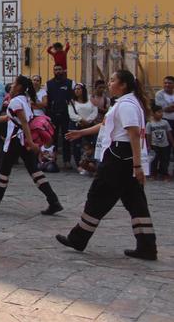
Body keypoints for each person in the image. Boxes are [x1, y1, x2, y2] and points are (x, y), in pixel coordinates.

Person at [57, 70, 157, 260]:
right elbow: (105, 124)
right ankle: (147, 246)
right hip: (124, 157)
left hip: (119, 157)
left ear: (124, 84)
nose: (109, 84)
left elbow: (134, 134)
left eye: (113, 81)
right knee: (136, 202)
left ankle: (78, 238)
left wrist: (137, 166)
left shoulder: (127, 105)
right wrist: (81, 133)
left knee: (98, 195)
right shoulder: (124, 103)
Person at [0, 75, 63, 215]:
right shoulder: (25, 100)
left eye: (14, 83)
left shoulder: (16, 101)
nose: (11, 86)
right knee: (34, 171)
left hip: (17, 140)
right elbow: (9, 117)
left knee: (5, 170)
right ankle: (53, 201)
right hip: (22, 140)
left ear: (20, 87)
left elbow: (23, 122)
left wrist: (31, 142)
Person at [47, 64, 75, 169]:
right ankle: (52, 159)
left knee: (66, 137)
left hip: (66, 114)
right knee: (52, 137)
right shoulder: (49, 84)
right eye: (55, 70)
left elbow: (73, 98)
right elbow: (47, 100)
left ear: (63, 70)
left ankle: (67, 160)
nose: (57, 71)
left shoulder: (70, 83)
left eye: (59, 69)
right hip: (53, 114)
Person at [68, 83, 97, 167]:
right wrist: (81, 119)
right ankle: (78, 164)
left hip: (89, 125)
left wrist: (88, 120)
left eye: (79, 89)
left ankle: (89, 162)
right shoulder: (72, 102)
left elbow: (94, 111)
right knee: (76, 145)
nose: (77, 91)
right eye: (75, 89)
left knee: (90, 144)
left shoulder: (90, 100)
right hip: (77, 125)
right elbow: (71, 114)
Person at [147, 104, 173, 180]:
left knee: (165, 160)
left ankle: (164, 174)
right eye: (159, 112)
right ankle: (153, 174)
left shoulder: (165, 122)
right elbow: (148, 135)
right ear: (153, 113)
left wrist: (172, 143)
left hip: (165, 144)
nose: (161, 114)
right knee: (154, 160)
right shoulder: (150, 123)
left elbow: (169, 133)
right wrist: (149, 145)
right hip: (155, 145)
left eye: (162, 112)